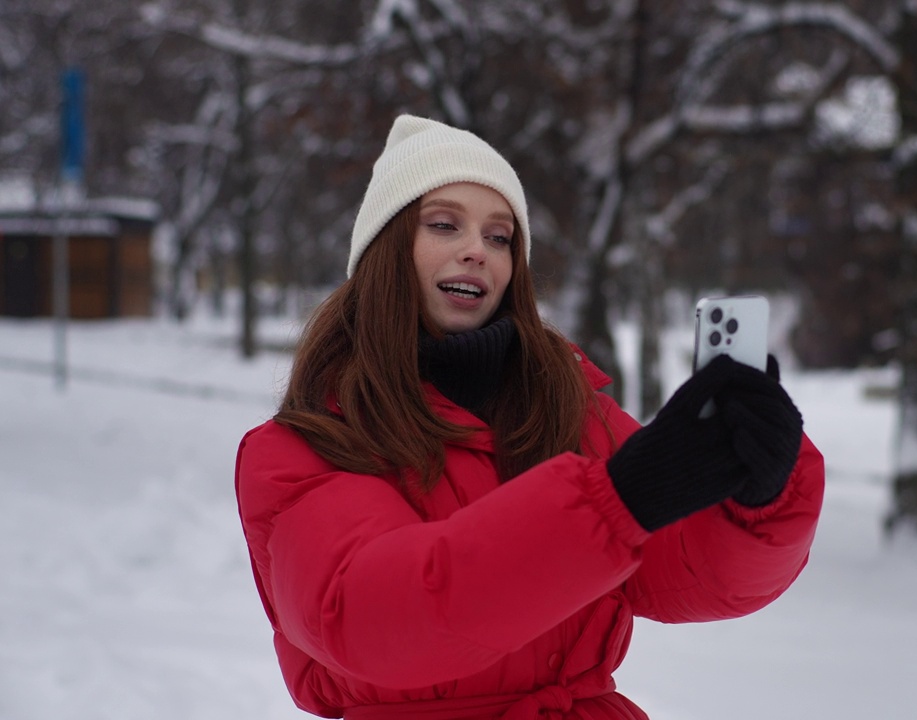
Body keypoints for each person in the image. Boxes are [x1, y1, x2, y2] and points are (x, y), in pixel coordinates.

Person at [234, 115, 825, 720]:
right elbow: (371, 615)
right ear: (384, 252)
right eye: (444, 224)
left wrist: (758, 495)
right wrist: (615, 501)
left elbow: (691, 570)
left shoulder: (570, 408)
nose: (476, 251)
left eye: (500, 238)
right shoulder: (300, 447)